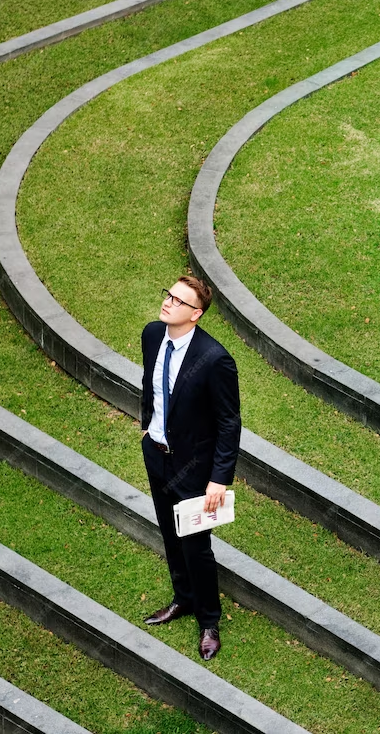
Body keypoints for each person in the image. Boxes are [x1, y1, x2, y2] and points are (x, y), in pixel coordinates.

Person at [141, 275, 241, 661]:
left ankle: (209, 621)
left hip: (196, 468)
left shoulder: (215, 359)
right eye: (168, 295)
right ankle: (182, 599)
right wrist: (148, 428)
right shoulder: (152, 335)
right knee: (169, 532)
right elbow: (151, 384)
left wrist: (218, 478)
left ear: (196, 314)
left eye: (178, 301)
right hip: (157, 454)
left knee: (196, 546)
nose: (168, 302)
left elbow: (229, 423)